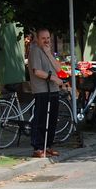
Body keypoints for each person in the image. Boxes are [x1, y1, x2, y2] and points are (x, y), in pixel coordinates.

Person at [28, 29, 67, 157]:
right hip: (42, 90)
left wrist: (49, 53)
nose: (46, 40)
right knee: (41, 119)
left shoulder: (47, 51)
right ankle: (38, 148)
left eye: (48, 38)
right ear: (38, 39)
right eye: (43, 38)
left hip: (53, 89)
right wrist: (53, 78)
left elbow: (58, 68)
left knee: (52, 119)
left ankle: (48, 145)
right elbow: (37, 71)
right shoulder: (35, 51)